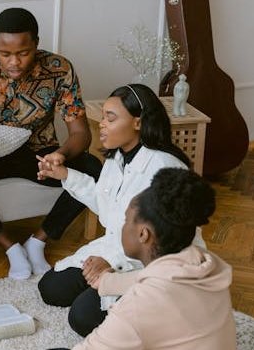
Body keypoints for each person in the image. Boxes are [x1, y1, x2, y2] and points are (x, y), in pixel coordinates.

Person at [0, 7, 102, 280]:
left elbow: (81, 133)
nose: (14, 62)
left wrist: (60, 155)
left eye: (23, 53)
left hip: (39, 156)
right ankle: (10, 249)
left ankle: (38, 242)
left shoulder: (59, 69)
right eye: (5, 54)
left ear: (36, 45)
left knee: (91, 166)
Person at [36, 84, 193, 337]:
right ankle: (99, 286)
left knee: (82, 317)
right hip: (115, 247)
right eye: (103, 117)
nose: (102, 124)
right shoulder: (116, 158)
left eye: (111, 118)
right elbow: (105, 206)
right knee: (51, 288)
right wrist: (64, 174)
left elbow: (163, 245)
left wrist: (111, 264)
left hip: (154, 263)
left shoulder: (166, 169)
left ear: (138, 123)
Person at [66, 168, 235, 349]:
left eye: (126, 220)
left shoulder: (137, 307)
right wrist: (108, 281)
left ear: (143, 234)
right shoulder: (206, 262)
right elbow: (160, 278)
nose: (122, 227)